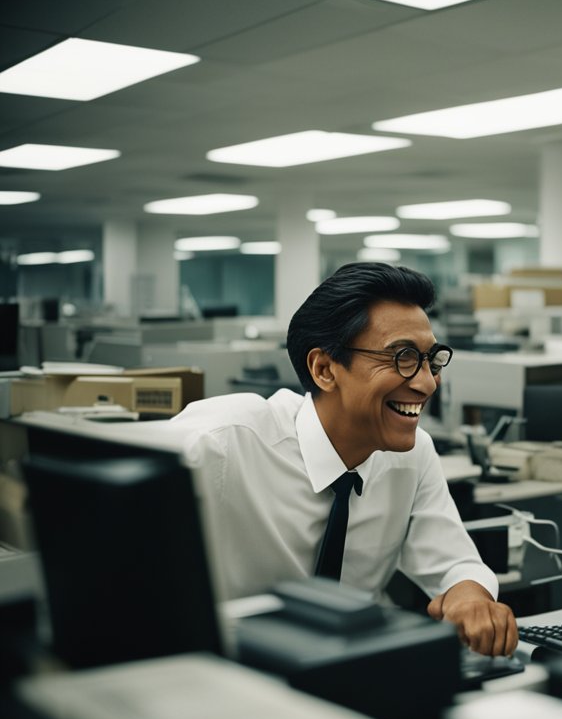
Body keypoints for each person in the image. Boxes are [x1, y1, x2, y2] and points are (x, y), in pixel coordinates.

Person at [173, 262, 517, 656]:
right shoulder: (224, 441)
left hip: (353, 668)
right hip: (237, 672)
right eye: (403, 357)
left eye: (431, 358)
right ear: (324, 369)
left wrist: (468, 598)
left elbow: (454, 562)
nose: (426, 382)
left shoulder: (413, 453)